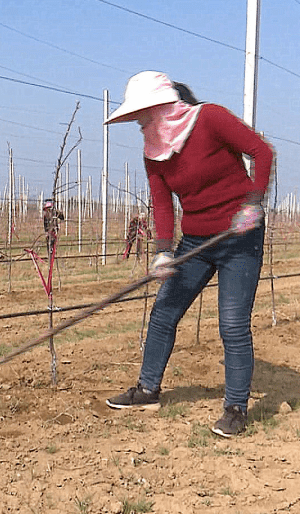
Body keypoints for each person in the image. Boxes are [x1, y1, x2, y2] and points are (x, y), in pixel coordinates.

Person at [103, 72, 273, 438]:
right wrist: (163, 252)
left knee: (231, 324)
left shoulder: (210, 119)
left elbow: (262, 151)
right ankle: (147, 390)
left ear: (164, 108)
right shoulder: (155, 154)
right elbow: (162, 203)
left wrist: (254, 203)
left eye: (143, 115)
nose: (139, 124)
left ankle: (235, 408)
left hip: (238, 237)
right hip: (196, 241)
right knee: (164, 311)